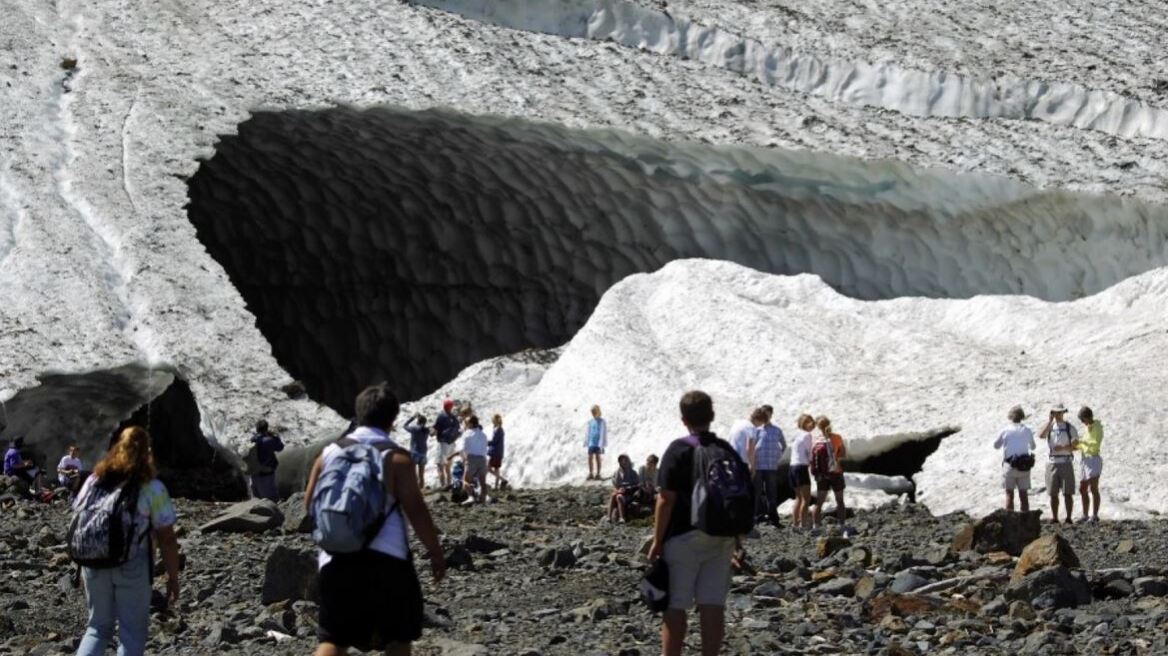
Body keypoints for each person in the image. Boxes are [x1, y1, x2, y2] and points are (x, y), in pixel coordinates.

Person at [304, 383, 446, 656]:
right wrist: (436, 553)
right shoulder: (397, 457)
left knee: (334, 640)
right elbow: (415, 509)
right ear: (393, 420)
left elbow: (310, 503)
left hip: (336, 559)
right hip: (388, 561)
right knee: (398, 639)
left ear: (358, 415)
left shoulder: (328, 454)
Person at [74, 426, 181, 656]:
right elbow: (167, 537)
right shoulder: (152, 488)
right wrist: (172, 576)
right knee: (131, 632)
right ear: (147, 453)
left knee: (97, 628)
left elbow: (79, 516)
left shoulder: (94, 480)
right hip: (132, 564)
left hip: (93, 560)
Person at [648, 391, 738, 656]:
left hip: (682, 537)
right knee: (712, 605)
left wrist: (657, 540)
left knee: (675, 606)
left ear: (683, 419)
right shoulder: (725, 449)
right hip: (720, 537)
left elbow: (666, 498)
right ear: (712, 416)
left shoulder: (678, 450)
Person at [1039, 403, 1078, 524]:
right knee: (1053, 493)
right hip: (1052, 462)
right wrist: (1049, 422)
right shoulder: (1051, 427)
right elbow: (1041, 435)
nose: (1058, 415)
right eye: (1055, 412)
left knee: (1067, 493)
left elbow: (1076, 444)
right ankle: (1055, 517)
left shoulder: (1069, 427)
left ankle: (1068, 517)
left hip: (1065, 461)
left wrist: (1062, 448)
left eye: (1060, 412)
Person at [994, 405, 1036, 512]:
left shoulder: (1006, 430)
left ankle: (1010, 519)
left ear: (1010, 417)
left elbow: (996, 445)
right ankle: (1025, 520)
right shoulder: (1027, 430)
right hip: (1024, 466)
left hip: (1010, 466)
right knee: (1023, 495)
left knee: (1009, 494)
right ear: (1022, 416)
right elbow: (1033, 446)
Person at [746, 407, 784, 527]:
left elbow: (783, 445)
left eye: (768, 414)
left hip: (771, 467)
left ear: (771, 415)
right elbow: (750, 447)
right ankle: (756, 518)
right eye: (764, 414)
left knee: (771, 493)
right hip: (758, 466)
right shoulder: (756, 430)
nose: (766, 416)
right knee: (756, 492)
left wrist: (777, 457)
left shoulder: (777, 430)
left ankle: (773, 518)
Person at [810, 416, 848, 534]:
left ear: (817, 426)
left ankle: (816, 526)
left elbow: (811, 458)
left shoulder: (816, 440)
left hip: (822, 475)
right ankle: (841, 525)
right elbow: (843, 453)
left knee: (819, 501)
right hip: (835, 472)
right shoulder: (836, 437)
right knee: (840, 500)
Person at [1074, 406, 1104, 523]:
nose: (1083, 422)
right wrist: (1076, 446)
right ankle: (1085, 514)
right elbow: (1085, 445)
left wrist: (1081, 442)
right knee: (1083, 488)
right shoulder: (1088, 428)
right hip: (1085, 459)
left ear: (1087, 417)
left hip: (1093, 459)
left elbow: (1095, 443)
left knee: (1093, 488)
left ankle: (1095, 515)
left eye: (1083, 420)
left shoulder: (1097, 427)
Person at [788, 415, 815, 530]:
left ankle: (795, 523)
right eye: (809, 423)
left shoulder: (796, 435)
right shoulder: (807, 435)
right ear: (804, 423)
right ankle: (803, 524)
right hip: (801, 467)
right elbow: (809, 453)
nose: (812, 425)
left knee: (798, 497)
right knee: (806, 498)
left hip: (792, 467)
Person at [458, 416, 490, 505]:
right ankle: (483, 500)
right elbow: (485, 448)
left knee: (465, 480)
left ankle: (471, 496)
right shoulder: (483, 435)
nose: (466, 425)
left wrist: (464, 458)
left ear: (471, 424)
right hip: (482, 459)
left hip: (471, 458)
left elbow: (462, 449)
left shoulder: (467, 434)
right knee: (482, 481)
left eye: (467, 423)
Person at [249, 420, 285, 501]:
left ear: (257, 429)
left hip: (254, 475)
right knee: (271, 502)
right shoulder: (270, 440)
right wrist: (275, 436)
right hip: (266, 476)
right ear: (266, 428)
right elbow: (280, 447)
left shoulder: (252, 439)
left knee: (257, 502)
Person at [433, 400, 460, 490]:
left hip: (443, 443)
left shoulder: (441, 416)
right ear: (451, 407)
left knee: (440, 465)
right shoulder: (453, 417)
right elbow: (458, 430)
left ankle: (443, 486)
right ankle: (449, 484)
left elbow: (435, 429)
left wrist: (432, 433)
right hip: (452, 444)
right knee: (448, 466)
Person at [608, 454, 641, 523]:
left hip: (630, 494)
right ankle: (609, 517)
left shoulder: (633, 473)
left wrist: (627, 488)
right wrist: (618, 490)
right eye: (621, 461)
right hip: (620, 492)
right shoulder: (617, 473)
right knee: (614, 495)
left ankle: (621, 517)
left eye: (625, 460)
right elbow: (615, 484)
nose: (623, 462)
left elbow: (637, 485)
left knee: (619, 497)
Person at [403, 414, 429, 488]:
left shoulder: (414, 428)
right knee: (421, 474)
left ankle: (414, 490)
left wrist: (412, 417)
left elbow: (405, 425)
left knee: (413, 474)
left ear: (418, 421)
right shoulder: (426, 430)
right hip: (423, 453)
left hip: (415, 452)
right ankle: (421, 491)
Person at [585, 405, 608, 480]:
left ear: (598, 411)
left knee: (598, 458)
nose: (593, 413)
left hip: (598, 443)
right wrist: (586, 441)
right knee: (590, 458)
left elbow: (603, 432)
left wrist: (602, 444)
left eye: (594, 412)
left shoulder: (602, 421)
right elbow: (588, 432)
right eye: (592, 412)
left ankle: (598, 473)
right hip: (591, 442)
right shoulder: (590, 422)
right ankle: (591, 473)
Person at [487, 414, 508, 491]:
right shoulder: (498, 429)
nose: (492, 421)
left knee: (488, 468)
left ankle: (502, 480)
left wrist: (486, 442)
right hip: (498, 452)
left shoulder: (498, 430)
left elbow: (494, 441)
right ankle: (497, 485)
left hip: (495, 452)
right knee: (496, 469)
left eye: (492, 420)